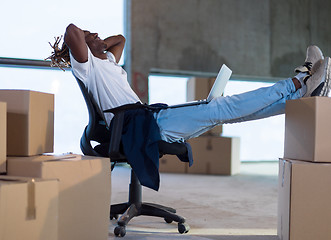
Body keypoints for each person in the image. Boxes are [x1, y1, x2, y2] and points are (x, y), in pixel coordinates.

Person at [47, 24, 330, 189]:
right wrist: (85, 42)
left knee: (227, 113)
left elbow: (120, 39)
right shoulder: (85, 68)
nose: (96, 35)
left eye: (95, 34)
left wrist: (98, 44)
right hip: (145, 126)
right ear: (79, 49)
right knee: (224, 108)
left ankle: (299, 98)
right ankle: (299, 82)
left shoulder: (106, 62)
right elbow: (72, 30)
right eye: (91, 35)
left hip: (152, 118)